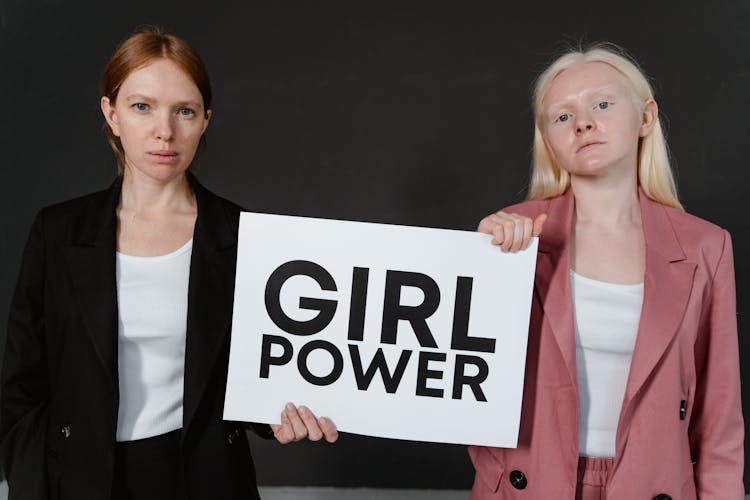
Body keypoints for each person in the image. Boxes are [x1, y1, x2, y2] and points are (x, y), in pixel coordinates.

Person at [0, 27, 337, 500]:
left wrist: (280, 416)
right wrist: (33, 478)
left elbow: (264, 368)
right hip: (78, 478)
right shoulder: (57, 232)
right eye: (142, 107)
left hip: (204, 479)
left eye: (184, 110)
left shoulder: (245, 235)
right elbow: (21, 383)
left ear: (204, 121)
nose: (165, 130)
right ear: (111, 114)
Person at [472, 44, 743, 499]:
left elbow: (720, 422)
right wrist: (479, 263)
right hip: (528, 487)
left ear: (646, 118)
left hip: (651, 485)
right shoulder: (511, 238)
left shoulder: (706, 247)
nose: (583, 122)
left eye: (602, 104)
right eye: (563, 116)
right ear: (550, 141)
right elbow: (450, 380)